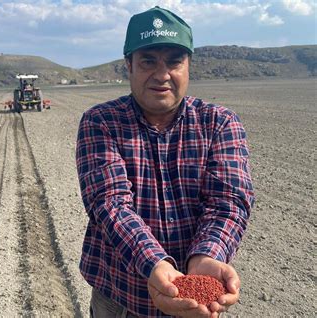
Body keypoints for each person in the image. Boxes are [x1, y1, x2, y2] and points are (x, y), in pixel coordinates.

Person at [75, 6, 254, 318]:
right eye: (148, 61)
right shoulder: (100, 122)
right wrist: (155, 263)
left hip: (194, 303)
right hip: (120, 297)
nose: (162, 75)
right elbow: (110, 202)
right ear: (128, 65)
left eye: (174, 62)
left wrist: (204, 258)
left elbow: (228, 201)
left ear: (188, 66)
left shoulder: (219, 123)